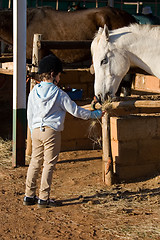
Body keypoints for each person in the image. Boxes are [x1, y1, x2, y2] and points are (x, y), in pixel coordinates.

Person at [23, 54, 102, 208]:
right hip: (51, 132)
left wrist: (33, 130)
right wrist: (96, 114)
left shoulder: (34, 92)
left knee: (35, 162)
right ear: (53, 74)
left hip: (36, 131)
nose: (59, 78)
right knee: (49, 164)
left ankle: (29, 195)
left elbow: (30, 113)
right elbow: (77, 112)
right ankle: (44, 198)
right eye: (59, 75)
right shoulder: (59, 94)